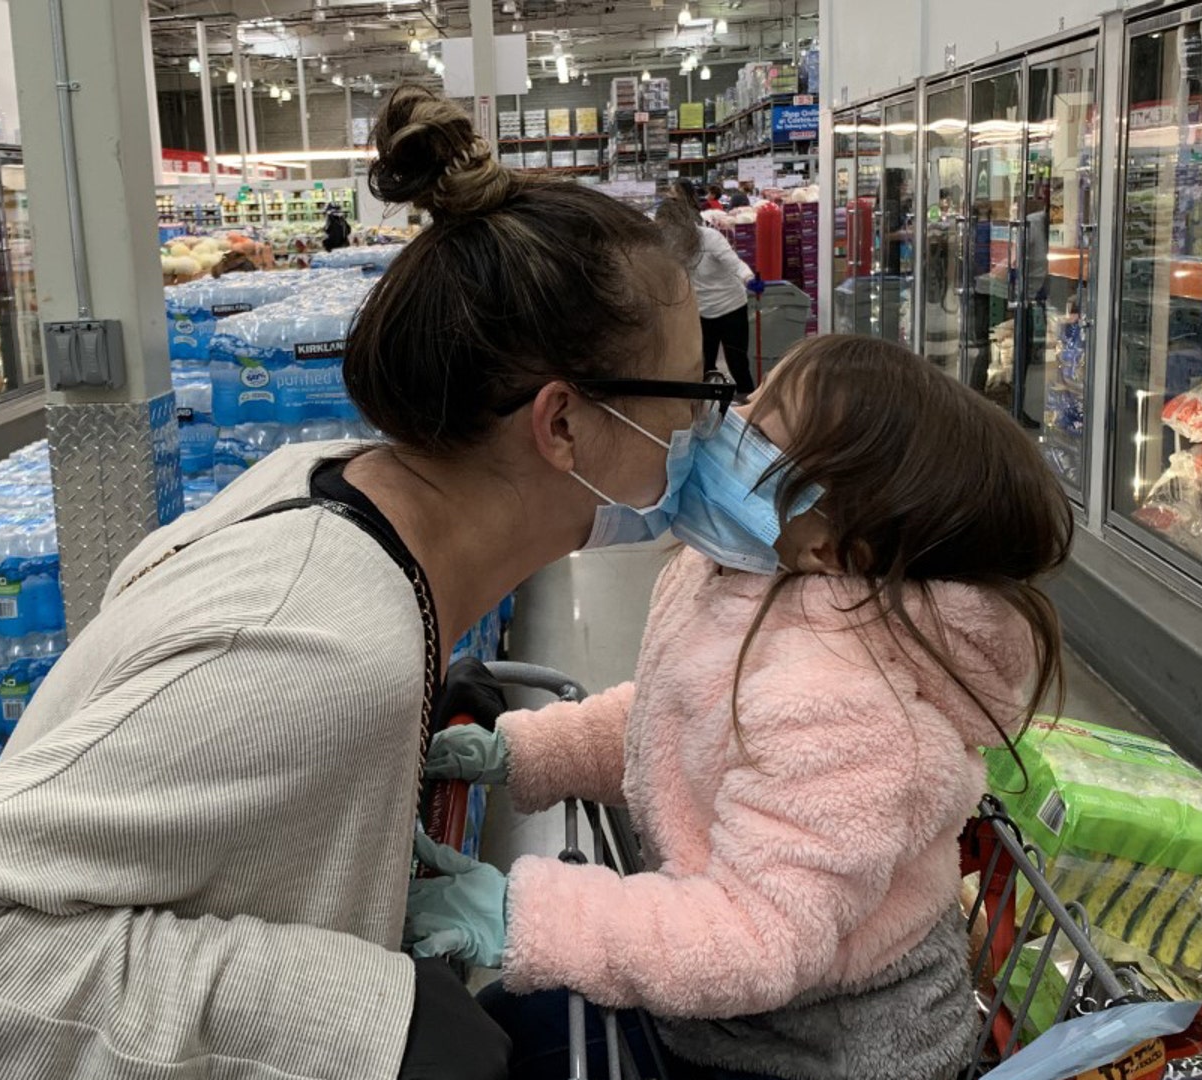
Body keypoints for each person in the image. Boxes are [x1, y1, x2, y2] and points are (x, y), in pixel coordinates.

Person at [0, 84, 725, 1080]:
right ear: (561, 423)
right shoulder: (318, 639)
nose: (707, 432)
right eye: (692, 395)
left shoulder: (339, 495)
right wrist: (353, 1019)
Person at [413, 334, 1075, 1080]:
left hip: (814, 1055)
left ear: (834, 546)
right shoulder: (740, 577)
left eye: (756, 432)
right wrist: (527, 751)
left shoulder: (844, 705)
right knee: (506, 1024)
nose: (720, 427)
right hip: (726, 1010)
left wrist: (523, 915)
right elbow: (677, 722)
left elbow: (753, 940)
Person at [657, 183, 759, 396]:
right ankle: (704, 412)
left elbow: (735, 264)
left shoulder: (710, 238)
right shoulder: (670, 246)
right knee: (702, 365)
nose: (668, 233)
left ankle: (748, 407)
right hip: (702, 311)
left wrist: (749, 279)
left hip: (731, 307)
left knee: (737, 363)